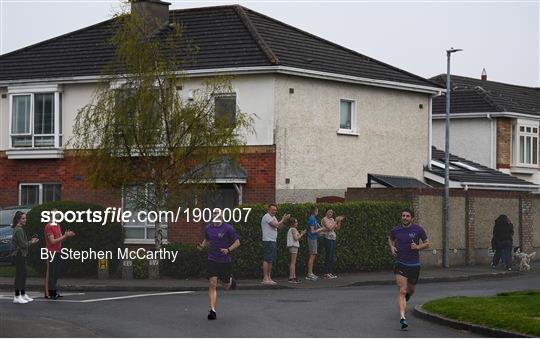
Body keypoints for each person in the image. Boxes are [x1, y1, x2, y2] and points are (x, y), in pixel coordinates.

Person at [388, 208, 429, 330]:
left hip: (414, 265)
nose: (405, 218)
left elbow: (427, 243)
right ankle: (402, 318)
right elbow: (390, 239)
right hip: (400, 263)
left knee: (410, 291)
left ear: (412, 218)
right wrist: (392, 247)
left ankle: (407, 298)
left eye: (407, 216)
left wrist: (417, 246)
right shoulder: (396, 230)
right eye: (403, 216)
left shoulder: (418, 229)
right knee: (402, 290)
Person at [198, 209, 240, 320]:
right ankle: (212, 311)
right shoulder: (208, 228)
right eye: (214, 213)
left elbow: (237, 242)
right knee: (212, 283)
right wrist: (202, 246)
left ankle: (230, 280)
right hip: (212, 259)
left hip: (225, 261)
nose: (215, 215)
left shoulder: (228, 228)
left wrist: (228, 249)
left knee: (226, 286)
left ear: (221, 216)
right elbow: (207, 240)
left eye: (217, 213)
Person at [44, 208, 76, 299]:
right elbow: (52, 241)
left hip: (58, 251)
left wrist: (66, 236)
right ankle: (49, 293)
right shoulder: (49, 226)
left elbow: (60, 239)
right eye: (56, 215)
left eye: (58, 215)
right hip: (51, 252)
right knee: (51, 273)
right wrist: (65, 236)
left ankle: (54, 291)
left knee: (56, 273)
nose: (58, 217)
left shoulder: (57, 225)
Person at [10, 211, 39, 304]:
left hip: (22, 254)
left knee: (23, 274)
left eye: (25, 218)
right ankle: (17, 296)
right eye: (23, 218)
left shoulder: (20, 229)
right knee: (19, 275)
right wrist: (32, 242)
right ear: (18, 219)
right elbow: (23, 244)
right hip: (19, 254)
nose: (25, 220)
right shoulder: (18, 229)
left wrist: (30, 241)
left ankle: (22, 294)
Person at [261, 204, 290, 285]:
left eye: (275, 210)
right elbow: (276, 225)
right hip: (268, 240)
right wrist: (283, 219)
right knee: (267, 259)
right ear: (268, 209)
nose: (274, 211)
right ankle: (265, 278)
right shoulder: (266, 216)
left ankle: (269, 277)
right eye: (273, 209)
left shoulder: (273, 217)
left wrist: (284, 221)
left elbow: (279, 227)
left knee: (271, 260)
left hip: (273, 240)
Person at [321, 209, 345, 279]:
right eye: (329, 212)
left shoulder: (332, 219)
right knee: (328, 255)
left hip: (332, 238)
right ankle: (326, 273)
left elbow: (337, 228)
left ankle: (329, 272)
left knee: (331, 256)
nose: (330, 213)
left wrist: (339, 221)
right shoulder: (324, 219)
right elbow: (329, 228)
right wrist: (336, 221)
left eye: (331, 212)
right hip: (327, 238)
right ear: (326, 213)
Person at [306, 206, 325, 281]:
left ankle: (311, 273)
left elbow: (316, 229)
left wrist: (321, 231)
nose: (318, 212)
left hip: (314, 238)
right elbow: (312, 231)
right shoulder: (311, 219)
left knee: (313, 255)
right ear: (314, 211)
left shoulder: (314, 219)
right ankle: (309, 274)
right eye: (317, 211)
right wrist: (321, 229)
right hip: (311, 239)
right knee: (312, 256)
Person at [286, 217, 306, 283]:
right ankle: (292, 277)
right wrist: (302, 234)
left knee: (293, 262)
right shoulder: (293, 229)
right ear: (292, 223)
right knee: (293, 262)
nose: (297, 223)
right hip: (293, 246)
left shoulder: (291, 229)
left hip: (292, 246)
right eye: (296, 222)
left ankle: (293, 276)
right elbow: (296, 238)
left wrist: (300, 235)